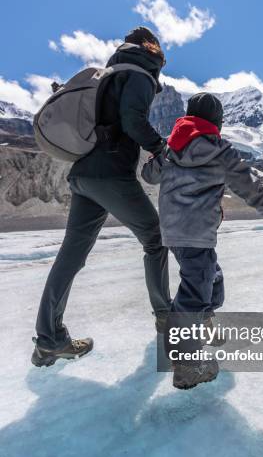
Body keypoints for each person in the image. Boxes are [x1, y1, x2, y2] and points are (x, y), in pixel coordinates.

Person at [32, 27, 172, 367]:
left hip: (84, 175)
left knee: (71, 256)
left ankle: (48, 340)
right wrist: (160, 147)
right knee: (156, 238)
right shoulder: (139, 72)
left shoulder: (110, 72)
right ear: (150, 47)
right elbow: (133, 120)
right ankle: (168, 321)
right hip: (110, 173)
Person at [142, 92, 263, 389]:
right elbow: (249, 189)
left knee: (211, 277)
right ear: (216, 122)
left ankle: (202, 323)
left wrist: (157, 156)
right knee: (193, 296)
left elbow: (149, 175)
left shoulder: (171, 148)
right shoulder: (220, 150)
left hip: (174, 233)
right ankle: (186, 366)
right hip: (196, 234)